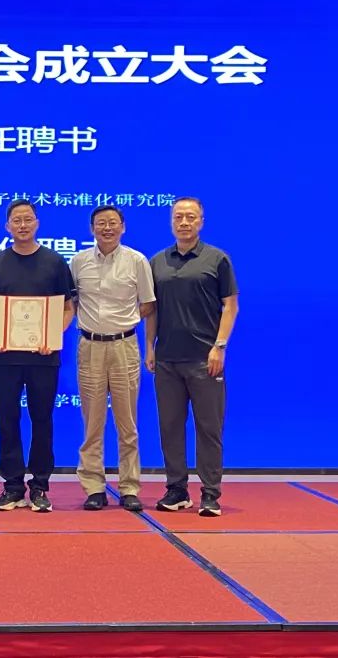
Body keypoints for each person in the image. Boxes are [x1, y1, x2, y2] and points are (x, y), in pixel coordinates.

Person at [146, 197, 238, 517]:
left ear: (201, 221)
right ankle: (177, 489)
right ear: (171, 221)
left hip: (205, 359)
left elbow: (230, 306)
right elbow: (152, 310)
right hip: (167, 360)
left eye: (190, 217)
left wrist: (219, 346)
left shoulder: (217, 259)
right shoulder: (158, 261)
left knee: (208, 428)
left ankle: (210, 493)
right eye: (178, 217)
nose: (184, 222)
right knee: (170, 427)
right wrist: (150, 346)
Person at [0, 199, 75, 513]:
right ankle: (12, 487)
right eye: (16, 220)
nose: (22, 225)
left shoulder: (55, 262)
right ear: (7, 226)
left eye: (28, 219)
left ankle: (39, 486)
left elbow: (68, 308)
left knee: (42, 420)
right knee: (7, 421)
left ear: (37, 223)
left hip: (43, 356)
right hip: (5, 358)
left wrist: (53, 336)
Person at [70, 206, 155, 512]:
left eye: (112, 223)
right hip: (90, 346)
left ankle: (129, 487)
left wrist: (123, 321)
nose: (107, 228)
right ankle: (94, 486)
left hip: (124, 346)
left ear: (123, 227)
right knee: (92, 423)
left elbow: (148, 304)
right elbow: (72, 302)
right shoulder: (78, 262)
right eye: (100, 223)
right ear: (91, 228)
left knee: (127, 422)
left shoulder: (137, 260)